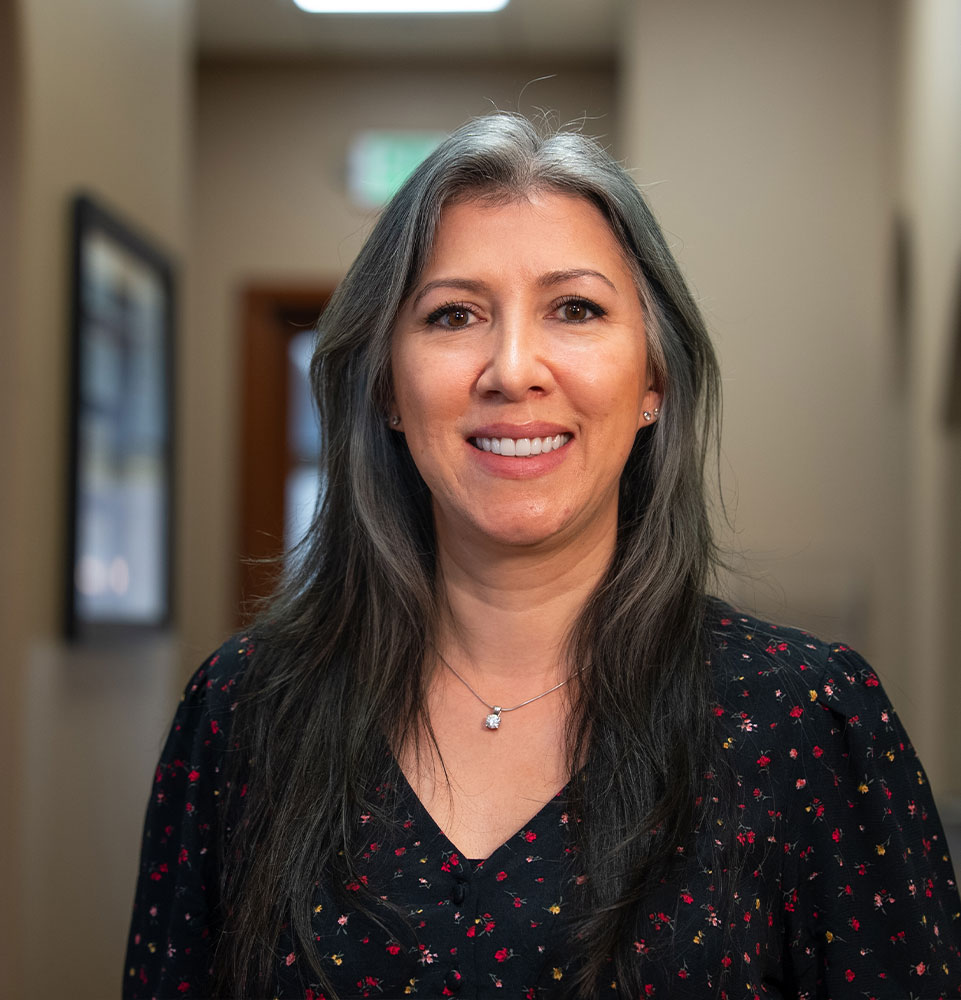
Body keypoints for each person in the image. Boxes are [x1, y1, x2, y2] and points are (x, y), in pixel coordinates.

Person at [124, 113, 961, 999]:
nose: (512, 369)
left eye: (575, 309)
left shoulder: (806, 722)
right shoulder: (242, 712)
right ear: (387, 389)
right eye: (453, 315)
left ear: (651, 383)